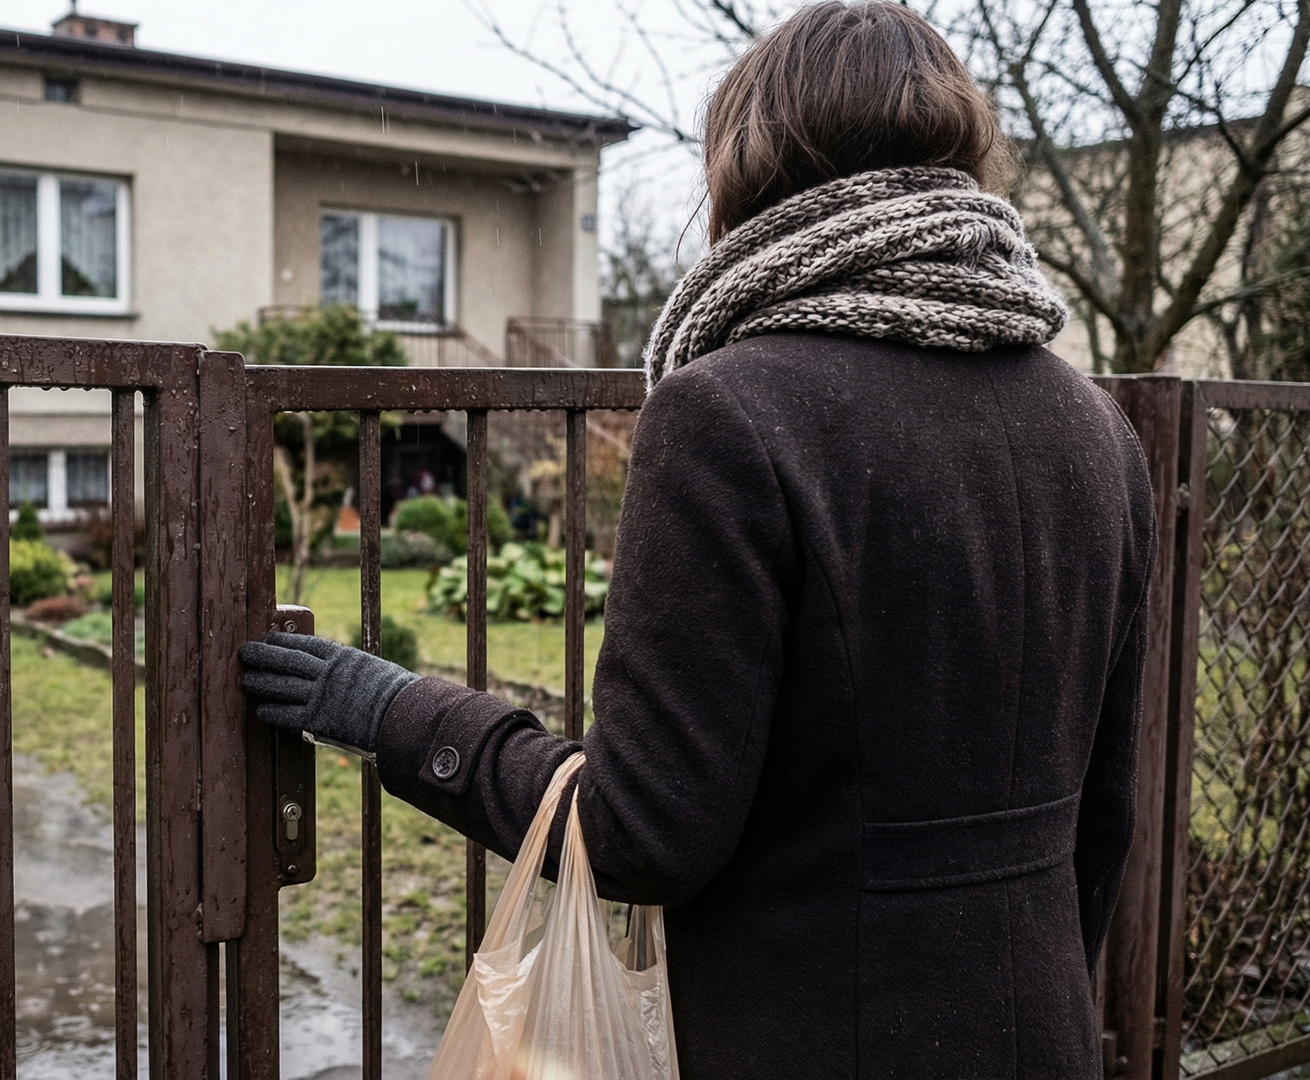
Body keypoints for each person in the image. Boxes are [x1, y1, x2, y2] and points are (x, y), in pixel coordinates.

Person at [239, 3, 1155, 1076]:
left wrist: (392, 711)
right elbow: (1107, 818)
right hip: (1040, 1036)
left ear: (747, 164)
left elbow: (641, 830)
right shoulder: (1097, 426)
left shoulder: (731, 412)